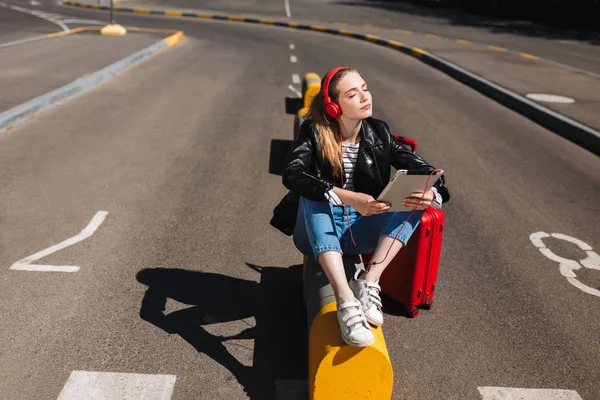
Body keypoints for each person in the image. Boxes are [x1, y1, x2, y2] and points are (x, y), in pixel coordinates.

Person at [278, 66, 450, 347]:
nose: (364, 97)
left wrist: (432, 192)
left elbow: (424, 169)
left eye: (365, 89)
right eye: (352, 94)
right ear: (334, 107)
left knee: (414, 199)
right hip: (315, 233)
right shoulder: (314, 132)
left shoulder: (378, 132)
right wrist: (347, 196)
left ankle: (369, 282)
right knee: (313, 193)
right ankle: (346, 301)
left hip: (360, 231)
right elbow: (292, 174)